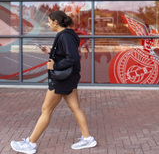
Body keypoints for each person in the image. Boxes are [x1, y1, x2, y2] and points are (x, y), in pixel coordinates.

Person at [10, 10, 97, 153]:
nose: (49, 24)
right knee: (75, 107)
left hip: (62, 80)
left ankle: (30, 144)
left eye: (49, 22)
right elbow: (66, 53)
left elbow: (73, 58)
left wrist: (54, 66)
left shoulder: (64, 36)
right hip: (69, 79)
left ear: (56, 22)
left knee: (46, 109)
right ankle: (88, 139)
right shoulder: (68, 34)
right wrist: (50, 51)